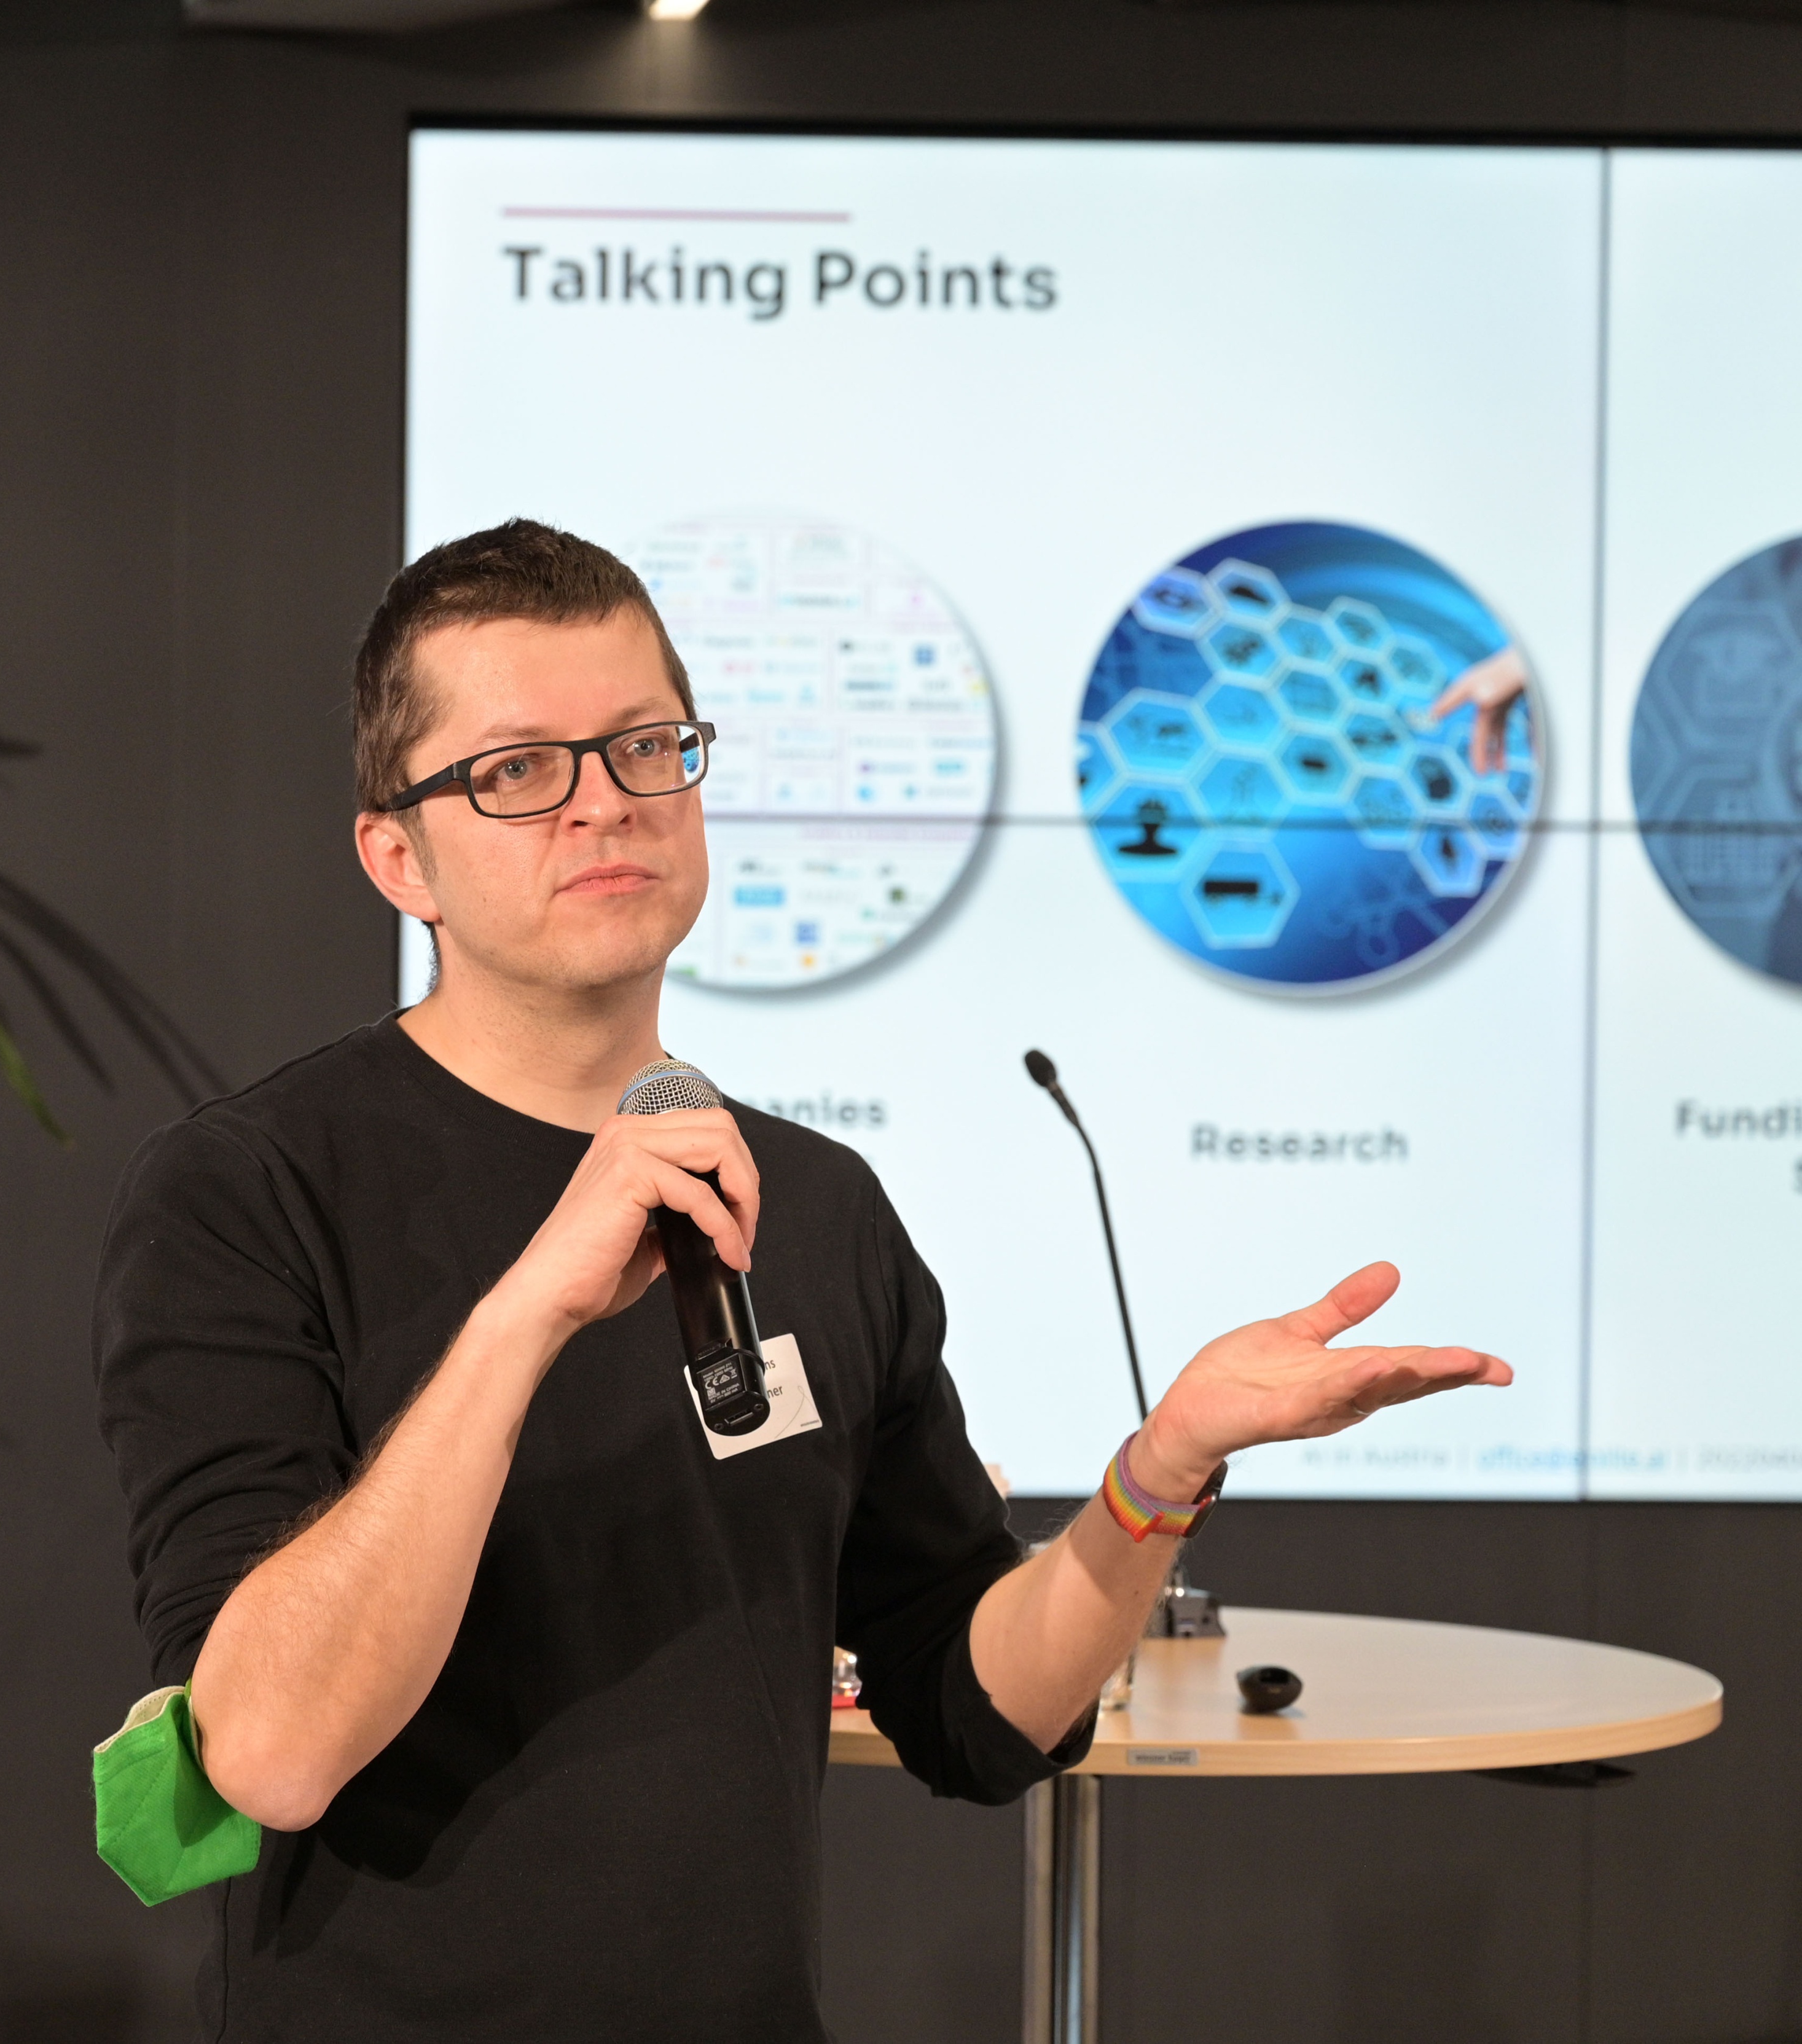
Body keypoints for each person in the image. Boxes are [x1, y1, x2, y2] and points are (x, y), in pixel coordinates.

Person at [92, 519, 1511, 2042]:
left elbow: (971, 1705)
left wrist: (1157, 1471)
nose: (603, 802)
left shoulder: (814, 1203)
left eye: (645, 746)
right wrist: (530, 1309)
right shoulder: (248, 1190)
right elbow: (268, 1754)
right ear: (399, 857)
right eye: (518, 770)